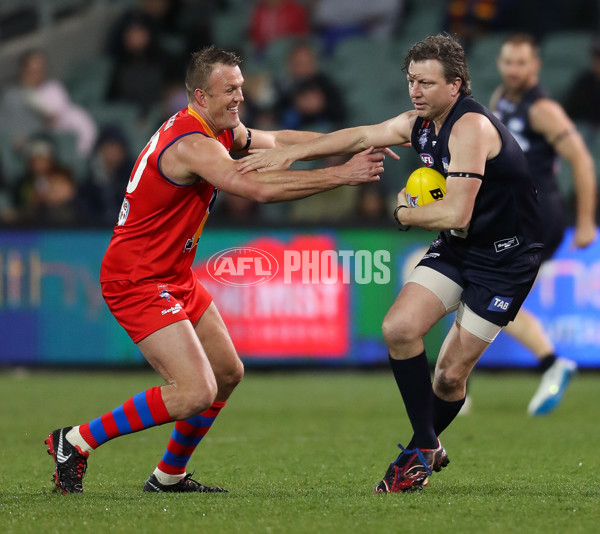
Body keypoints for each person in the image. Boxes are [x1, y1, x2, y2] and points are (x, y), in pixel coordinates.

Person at [44, 45, 384, 495]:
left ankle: (168, 476)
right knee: (193, 392)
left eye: (241, 87)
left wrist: (360, 138)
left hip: (173, 274)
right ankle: (75, 441)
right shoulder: (191, 144)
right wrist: (339, 176)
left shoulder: (220, 128)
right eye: (230, 90)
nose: (240, 97)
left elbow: (279, 143)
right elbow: (255, 186)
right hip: (137, 278)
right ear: (201, 97)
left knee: (227, 372)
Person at [238, 33, 544, 493]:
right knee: (398, 329)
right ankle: (423, 448)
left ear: (456, 84)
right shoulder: (420, 123)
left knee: (449, 374)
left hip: (506, 259)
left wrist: (403, 212)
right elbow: (361, 135)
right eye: (410, 81)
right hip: (460, 248)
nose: (415, 91)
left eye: (425, 82)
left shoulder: (470, 129)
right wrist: (292, 153)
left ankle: (420, 448)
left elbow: (455, 212)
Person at [490, 33, 597, 416]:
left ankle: (551, 363)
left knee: (487, 293)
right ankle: (551, 365)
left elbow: (582, 160)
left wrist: (585, 222)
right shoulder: (500, 100)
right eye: (508, 62)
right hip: (509, 216)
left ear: (535, 66)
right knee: (491, 296)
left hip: (538, 216)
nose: (513, 69)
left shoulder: (543, 109)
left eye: (521, 63)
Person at [0, 49, 98, 157]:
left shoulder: (54, 88)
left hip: (63, 142)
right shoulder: (12, 94)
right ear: (22, 70)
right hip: (26, 147)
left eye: (40, 69)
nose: (36, 74)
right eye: (31, 70)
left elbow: (52, 116)